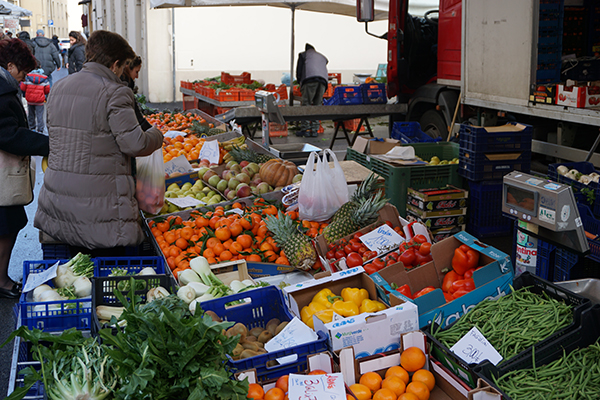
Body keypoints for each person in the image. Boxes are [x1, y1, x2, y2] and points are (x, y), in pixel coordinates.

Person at [34, 30, 163, 253]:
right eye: (123, 67)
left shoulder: (59, 88)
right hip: (102, 211)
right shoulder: (116, 93)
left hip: (58, 202)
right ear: (115, 64)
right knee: (109, 277)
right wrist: (157, 136)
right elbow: (136, 144)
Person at [0, 39, 50, 298]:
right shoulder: (2, 90)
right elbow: (8, 135)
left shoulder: (5, 86)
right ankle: (1, 282)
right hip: (2, 177)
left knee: (10, 223)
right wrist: (47, 144)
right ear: (9, 65)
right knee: (7, 225)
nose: (23, 77)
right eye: (21, 71)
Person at [295, 43, 328, 137]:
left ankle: (305, 129)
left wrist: (299, 82)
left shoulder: (303, 55)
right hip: (322, 81)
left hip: (309, 80)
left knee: (307, 104)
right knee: (317, 105)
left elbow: (299, 69)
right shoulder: (322, 56)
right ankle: (314, 130)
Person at [121, 56, 152, 130]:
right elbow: (136, 114)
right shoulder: (124, 87)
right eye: (136, 72)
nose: (137, 76)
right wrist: (153, 132)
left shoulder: (123, 84)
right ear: (128, 68)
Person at [20, 68, 50, 133]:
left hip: (30, 100)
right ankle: (40, 129)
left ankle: (32, 127)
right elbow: (47, 90)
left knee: (31, 115)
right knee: (40, 115)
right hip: (40, 101)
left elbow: (22, 88)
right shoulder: (44, 79)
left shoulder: (27, 78)